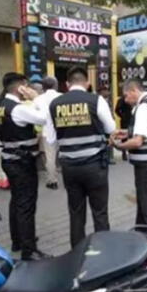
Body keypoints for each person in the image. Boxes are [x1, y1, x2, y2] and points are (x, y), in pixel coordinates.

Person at [47, 67, 116, 248]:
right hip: (95, 166)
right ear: (87, 83)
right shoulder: (96, 100)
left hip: (70, 167)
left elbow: (51, 139)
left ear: (67, 84)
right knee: (100, 212)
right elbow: (111, 129)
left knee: (76, 212)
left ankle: (77, 253)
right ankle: (104, 251)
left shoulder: (54, 104)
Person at [0, 73, 50, 260]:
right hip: (23, 161)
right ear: (21, 88)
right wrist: (37, 98)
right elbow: (43, 118)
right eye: (27, 86)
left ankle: (18, 240)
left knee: (16, 201)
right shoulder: (17, 109)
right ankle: (29, 250)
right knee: (26, 204)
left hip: (9, 159)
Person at [111, 79, 147, 225]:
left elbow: (137, 142)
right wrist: (127, 132)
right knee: (145, 205)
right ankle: (143, 235)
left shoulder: (145, 107)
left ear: (133, 91)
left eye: (126, 95)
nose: (125, 99)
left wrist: (118, 146)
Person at [36, 76, 62, 190]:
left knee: (50, 158)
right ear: (55, 85)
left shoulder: (38, 99)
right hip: (63, 131)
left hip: (47, 132)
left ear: (43, 87)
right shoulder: (62, 97)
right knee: (65, 155)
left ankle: (52, 181)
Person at [97, 87, 116, 165]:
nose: (108, 92)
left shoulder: (109, 101)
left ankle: (110, 157)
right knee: (104, 141)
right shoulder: (98, 101)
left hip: (109, 123)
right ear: (101, 92)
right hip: (102, 125)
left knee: (110, 141)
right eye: (106, 91)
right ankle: (105, 157)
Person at [115, 92, 133, 161]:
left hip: (131, 118)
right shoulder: (121, 99)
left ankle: (131, 151)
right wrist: (122, 116)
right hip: (125, 120)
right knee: (124, 137)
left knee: (132, 134)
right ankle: (124, 152)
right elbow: (117, 110)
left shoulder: (132, 98)